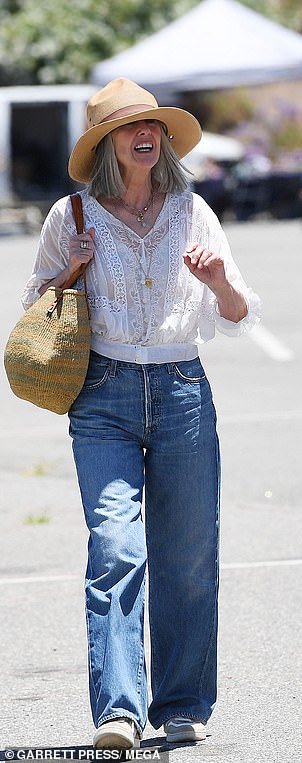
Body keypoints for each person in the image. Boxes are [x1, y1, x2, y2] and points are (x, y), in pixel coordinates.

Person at [21, 78, 260, 749]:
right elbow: (34, 307)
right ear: (106, 145)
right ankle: (118, 711)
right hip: (102, 394)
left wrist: (218, 283)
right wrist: (69, 271)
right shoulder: (70, 216)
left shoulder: (193, 209)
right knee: (117, 547)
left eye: (150, 125)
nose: (144, 135)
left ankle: (181, 700)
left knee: (187, 556)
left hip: (183, 387)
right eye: (128, 129)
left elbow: (240, 314)